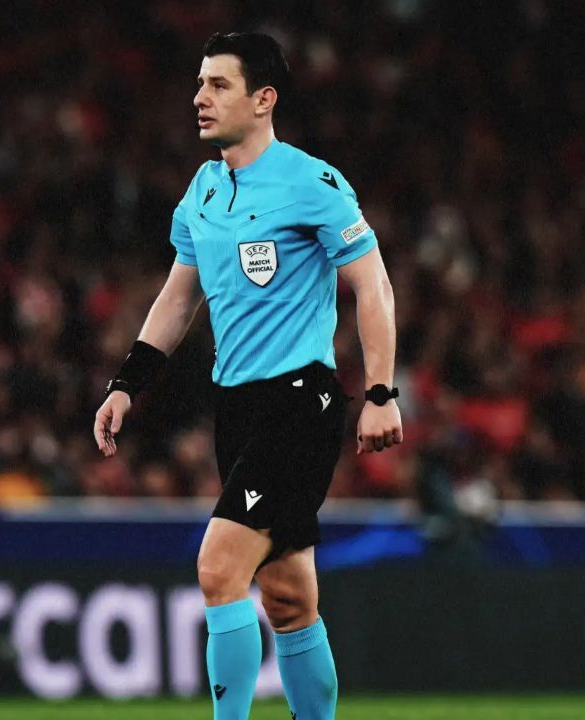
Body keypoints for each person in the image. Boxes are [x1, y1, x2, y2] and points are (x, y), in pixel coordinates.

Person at [93, 31, 401, 720]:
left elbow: (373, 285)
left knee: (218, 569)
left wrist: (381, 393)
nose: (200, 98)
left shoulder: (311, 183)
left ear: (263, 100)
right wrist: (126, 384)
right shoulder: (203, 190)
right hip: (235, 408)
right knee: (289, 598)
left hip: (299, 403)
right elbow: (179, 298)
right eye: (199, 84)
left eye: (218, 85)